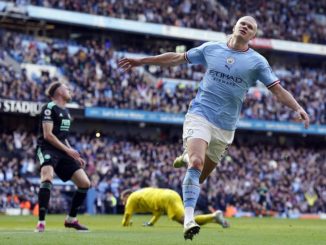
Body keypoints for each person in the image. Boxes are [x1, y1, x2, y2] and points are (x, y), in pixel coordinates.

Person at [118, 16, 310, 240]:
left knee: (198, 177)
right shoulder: (211, 48)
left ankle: (186, 157)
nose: (245, 27)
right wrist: (142, 62)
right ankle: (188, 220)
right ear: (234, 26)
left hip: (225, 128)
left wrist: (297, 107)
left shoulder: (257, 62)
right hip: (200, 114)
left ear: (253, 36)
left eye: (250, 27)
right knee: (197, 163)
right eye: (243, 23)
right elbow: (177, 58)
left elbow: (277, 90)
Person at [35, 82, 91, 232]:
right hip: (47, 148)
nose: (70, 90)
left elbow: (62, 136)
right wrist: (67, 149)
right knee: (47, 177)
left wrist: (72, 152)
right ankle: (41, 222)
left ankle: (71, 219)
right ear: (59, 91)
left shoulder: (66, 111)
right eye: (67, 88)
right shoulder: (49, 108)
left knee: (85, 183)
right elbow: (48, 135)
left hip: (62, 151)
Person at [121, 187, 229, 232]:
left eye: (123, 199)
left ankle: (214, 216)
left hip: (166, 199)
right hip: (171, 194)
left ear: (127, 196)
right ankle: (217, 220)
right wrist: (151, 223)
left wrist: (125, 224)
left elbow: (127, 215)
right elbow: (158, 212)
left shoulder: (131, 198)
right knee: (187, 221)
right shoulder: (141, 194)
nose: (123, 202)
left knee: (187, 222)